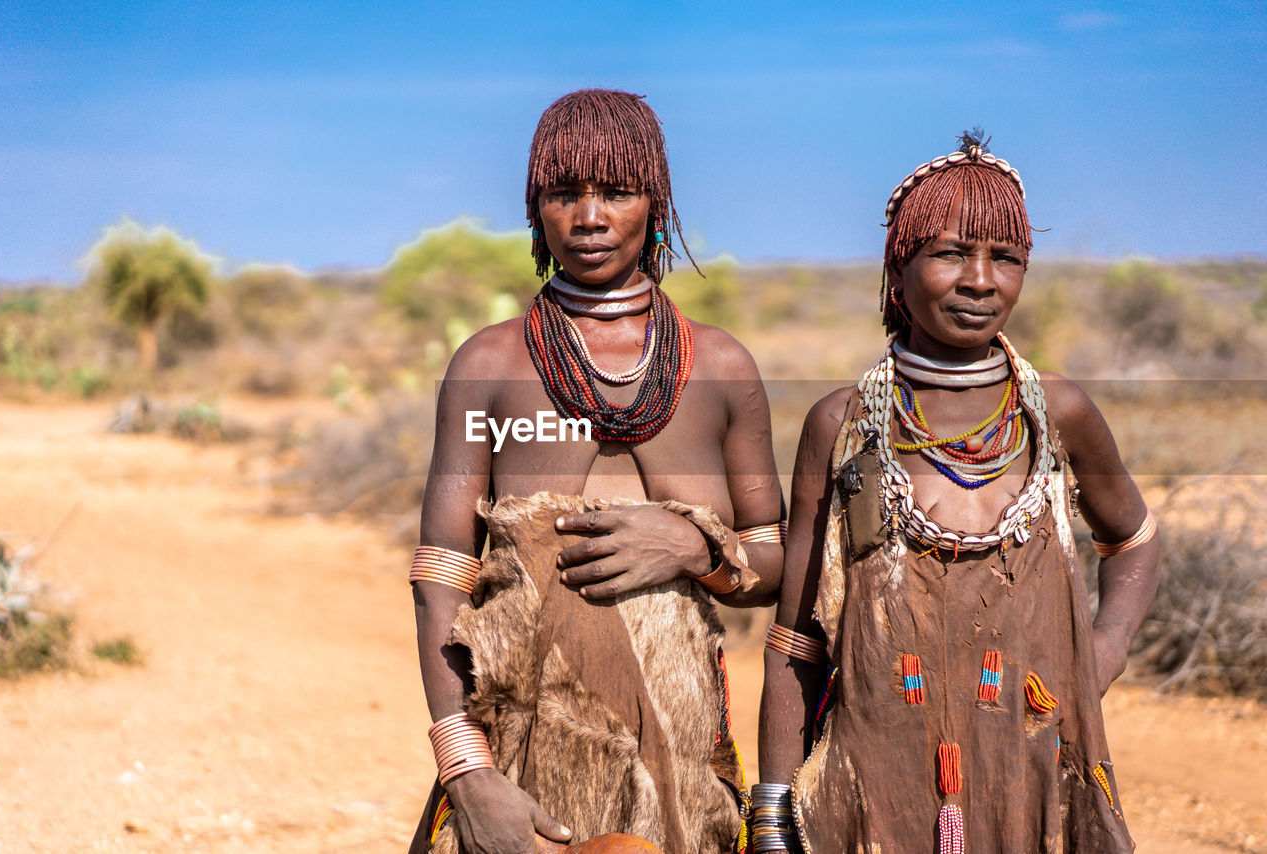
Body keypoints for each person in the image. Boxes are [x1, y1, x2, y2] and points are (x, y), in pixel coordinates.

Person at [754, 131, 1160, 853]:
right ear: (898, 270)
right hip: (875, 779)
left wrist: (1105, 647)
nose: (981, 281)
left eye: (1006, 259)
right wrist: (774, 811)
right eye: (949, 253)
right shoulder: (844, 427)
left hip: (1033, 768)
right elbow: (796, 639)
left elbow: (1132, 538)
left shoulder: (1054, 414)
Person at [409, 89, 785, 854]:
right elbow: (439, 575)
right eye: (564, 194)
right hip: (519, 761)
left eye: (616, 191)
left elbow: (779, 564)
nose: (589, 217)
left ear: (656, 202)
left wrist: (696, 550)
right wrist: (470, 777)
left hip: (686, 772)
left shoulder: (719, 367)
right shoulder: (489, 365)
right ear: (534, 208)